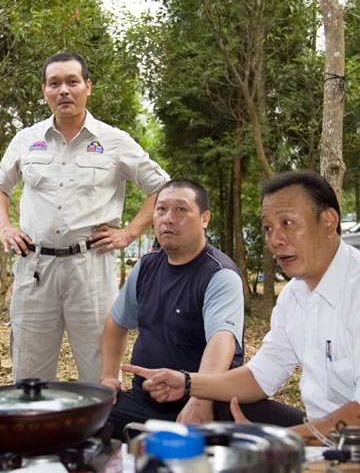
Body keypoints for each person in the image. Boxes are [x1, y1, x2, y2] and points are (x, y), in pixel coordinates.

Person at [124, 170, 360, 443]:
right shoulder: (294, 295)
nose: (275, 240)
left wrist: (280, 441)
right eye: (268, 227)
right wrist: (189, 383)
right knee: (216, 404)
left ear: (328, 222)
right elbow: (260, 377)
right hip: (324, 434)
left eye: (288, 223)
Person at [0, 51, 170, 383]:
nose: (63, 91)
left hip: (91, 268)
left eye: (72, 81)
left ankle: (101, 419)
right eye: (54, 83)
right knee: (29, 378)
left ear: (88, 86)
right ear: (44, 90)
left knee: (101, 374)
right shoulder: (26, 140)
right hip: (35, 268)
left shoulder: (114, 141)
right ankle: (36, 418)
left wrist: (128, 233)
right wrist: (4, 227)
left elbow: (160, 187)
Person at [100, 179, 250, 438]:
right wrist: (108, 376)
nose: (168, 218)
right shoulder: (146, 267)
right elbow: (116, 323)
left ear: (204, 218)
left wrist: (200, 400)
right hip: (142, 399)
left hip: (198, 403)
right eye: (161, 209)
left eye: (181, 209)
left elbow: (221, 340)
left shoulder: (219, 274)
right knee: (84, 423)